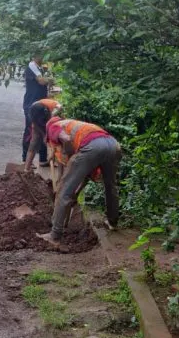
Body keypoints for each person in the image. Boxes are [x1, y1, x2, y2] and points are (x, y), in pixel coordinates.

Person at [38, 117, 122, 245]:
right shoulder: (77, 126)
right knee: (110, 186)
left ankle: (54, 235)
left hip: (93, 147)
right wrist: (76, 193)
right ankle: (113, 222)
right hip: (113, 145)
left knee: (63, 191)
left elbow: (66, 139)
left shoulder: (53, 126)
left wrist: (71, 156)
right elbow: (89, 174)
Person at [22, 55, 52, 166]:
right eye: (41, 54)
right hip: (32, 104)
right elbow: (42, 81)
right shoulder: (32, 66)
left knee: (43, 129)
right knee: (31, 131)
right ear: (34, 55)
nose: (43, 56)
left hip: (41, 103)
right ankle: (26, 159)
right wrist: (51, 80)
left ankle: (43, 159)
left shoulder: (40, 68)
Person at [23, 97, 63, 172]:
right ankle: (26, 169)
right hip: (39, 123)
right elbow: (35, 125)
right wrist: (44, 135)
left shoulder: (55, 108)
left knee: (55, 145)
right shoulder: (33, 110)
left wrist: (48, 136)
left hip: (53, 122)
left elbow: (53, 123)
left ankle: (56, 163)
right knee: (33, 143)